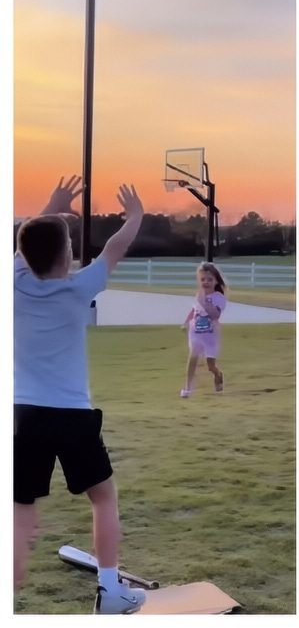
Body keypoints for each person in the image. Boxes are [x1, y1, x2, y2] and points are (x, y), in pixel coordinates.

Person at [14, 176, 148, 613]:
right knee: (103, 497)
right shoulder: (78, 287)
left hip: (21, 415)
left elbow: (27, 243)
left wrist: (50, 206)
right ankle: (111, 592)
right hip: (71, 416)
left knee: (20, 508)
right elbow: (114, 250)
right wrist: (135, 217)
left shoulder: (14, 277)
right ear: (68, 254)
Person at [180, 264, 227, 398]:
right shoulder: (198, 295)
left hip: (210, 336)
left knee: (210, 366)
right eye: (203, 279)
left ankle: (217, 374)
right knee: (193, 356)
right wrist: (185, 323)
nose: (206, 282)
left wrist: (204, 300)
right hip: (195, 333)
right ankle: (188, 388)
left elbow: (215, 315)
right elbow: (194, 310)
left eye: (209, 279)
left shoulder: (219, 297)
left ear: (216, 281)